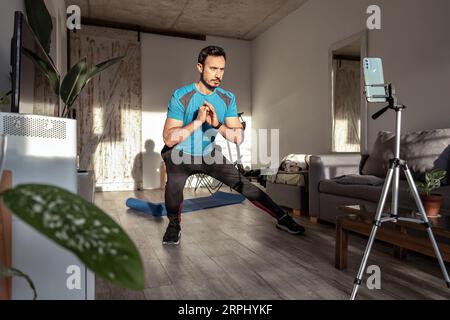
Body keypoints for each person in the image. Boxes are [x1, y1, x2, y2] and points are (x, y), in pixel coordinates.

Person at [161, 46, 305, 245]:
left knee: (246, 186)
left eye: (221, 69)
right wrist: (197, 122)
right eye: (213, 68)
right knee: (173, 187)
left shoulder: (227, 98)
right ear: (199, 67)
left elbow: (238, 138)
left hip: (208, 154)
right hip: (179, 154)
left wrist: (217, 125)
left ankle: (283, 218)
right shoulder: (181, 96)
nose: (218, 75)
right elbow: (168, 139)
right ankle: (174, 225)